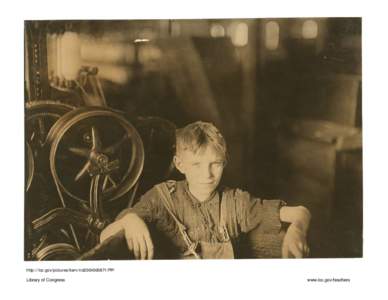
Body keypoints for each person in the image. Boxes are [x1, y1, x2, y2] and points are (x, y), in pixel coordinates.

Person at [100, 121, 311, 259]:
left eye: (215, 164)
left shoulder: (235, 203)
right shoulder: (161, 198)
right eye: (196, 165)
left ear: (225, 162)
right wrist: (129, 220)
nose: (207, 175)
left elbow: (300, 212)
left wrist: (297, 230)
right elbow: (104, 239)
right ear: (179, 164)